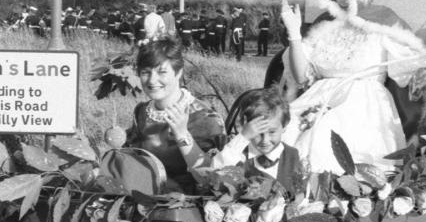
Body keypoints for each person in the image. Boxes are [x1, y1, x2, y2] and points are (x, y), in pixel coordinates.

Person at [279, 0, 426, 174]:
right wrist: (294, 33)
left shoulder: (383, 20)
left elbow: (413, 69)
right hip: (318, 98)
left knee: (323, 139)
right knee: (279, 133)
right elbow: (301, 76)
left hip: (363, 106)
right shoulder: (324, 23)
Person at [125, 37, 225, 191]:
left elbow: (211, 180)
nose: (152, 80)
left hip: (186, 207)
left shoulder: (205, 118)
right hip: (142, 197)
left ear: (178, 72)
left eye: (162, 72)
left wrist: (182, 134)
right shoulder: (142, 111)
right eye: (145, 72)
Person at [209, 88, 302, 197]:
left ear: (284, 127)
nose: (265, 140)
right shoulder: (238, 152)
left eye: (272, 132)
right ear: (246, 127)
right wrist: (243, 137)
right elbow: (215, 171)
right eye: (258, 133)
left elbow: (298, 191)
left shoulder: (292, 156)